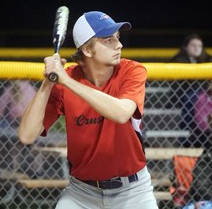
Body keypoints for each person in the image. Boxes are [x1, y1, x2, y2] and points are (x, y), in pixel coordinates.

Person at [18, 11, 158, 208]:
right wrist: (48, 83)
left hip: (133, 192)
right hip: (81, 193)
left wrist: (65, 81)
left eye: (117, 38)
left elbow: (121, 113)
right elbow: (26, 135)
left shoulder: (132, 70)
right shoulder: (63, 81)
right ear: (87, 50)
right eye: (108, 40)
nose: (119, 45)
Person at [165, 34, 212, 147]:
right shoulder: (178, 60)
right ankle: (188, 138)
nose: (197, 48)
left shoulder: (208, 60)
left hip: (205, 96)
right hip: (183, 97)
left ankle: (203, 136)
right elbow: (177, 85)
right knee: (192, 97)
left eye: (199, 45)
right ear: (186, 47)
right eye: (193, 45)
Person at [0, 80, 42, 176]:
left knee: (15, 146)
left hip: (18, 122)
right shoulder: (30, 87)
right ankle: (36, 170)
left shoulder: (11, 88)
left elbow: (0, 110)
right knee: (36, 146)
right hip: (32, 122)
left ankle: (15, 169)